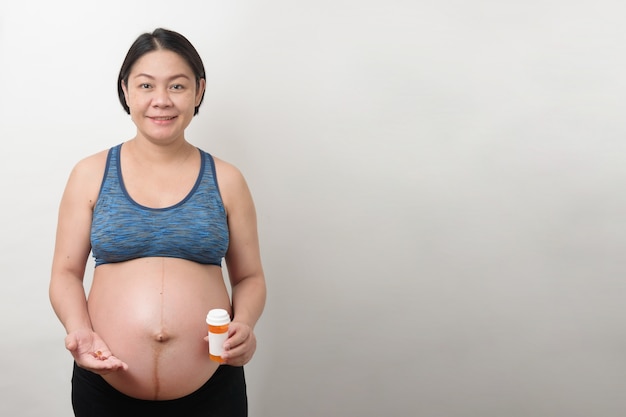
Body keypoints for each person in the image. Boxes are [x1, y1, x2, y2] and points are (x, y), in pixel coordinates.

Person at [49, 28, 266, 417]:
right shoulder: (90, 174)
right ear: (126, 91)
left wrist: (245, 325)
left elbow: (250, 277)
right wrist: (78, 330)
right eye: (146, 85)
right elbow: (65, 273)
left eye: (177, 86)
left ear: (198, 91)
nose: (161, 101)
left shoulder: (227, 180)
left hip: (212, 391)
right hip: (105, 389)